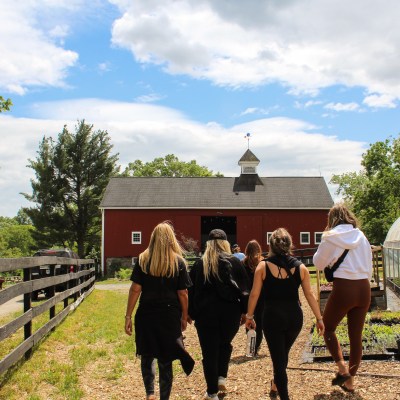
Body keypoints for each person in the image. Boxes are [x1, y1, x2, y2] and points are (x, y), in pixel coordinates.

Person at [245, 228, 324, 400]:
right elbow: (309, 295)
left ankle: (284, 396)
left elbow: (254, 294)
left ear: (271, 245)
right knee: (282, 356)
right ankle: (275, 386)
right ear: (289, 245)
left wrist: (249, 317)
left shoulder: (263, 266)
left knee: (279, 362)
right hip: (294, 317)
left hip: (272, 316)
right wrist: (319, 318)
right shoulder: (301, 267)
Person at [125, 221, 194, 400]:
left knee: (147, 355)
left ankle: (150, 393)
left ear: (153, 238)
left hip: (146, 313)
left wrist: (128, 315)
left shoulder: (143, 259)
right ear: (171, 239)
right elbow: (183, 293)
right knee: (166, 359)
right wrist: (184, 316)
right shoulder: (178, 262)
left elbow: (135, 289)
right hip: (169, 316)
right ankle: (164, 397)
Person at [313, 203, 372, 393]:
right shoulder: (361, 235)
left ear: (332, 219)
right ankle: (350, 381)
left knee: (327, 328)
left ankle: (342, 369)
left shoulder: (330, 237)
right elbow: (368, 264)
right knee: (356, 337)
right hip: (364, 287)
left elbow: (318, 263)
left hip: (344, 287)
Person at [188, 229, 249, 400]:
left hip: (206, 315)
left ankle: (212, 393)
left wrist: (189, 313)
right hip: (230, 313)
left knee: (209, 353)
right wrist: (246, 312)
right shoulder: (234, 263)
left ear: (208, 244)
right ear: (225, 243)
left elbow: (190, 290)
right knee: (224, 344)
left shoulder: (200, 264)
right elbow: (244, 290)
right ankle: (221, 377)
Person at [242, 239, 264, 355]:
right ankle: (256, 346)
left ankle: (252, 344)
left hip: (247, 296)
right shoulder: (262, 263)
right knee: (260, 322)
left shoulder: (243, 263)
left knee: (249, 320)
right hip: (261, 296)